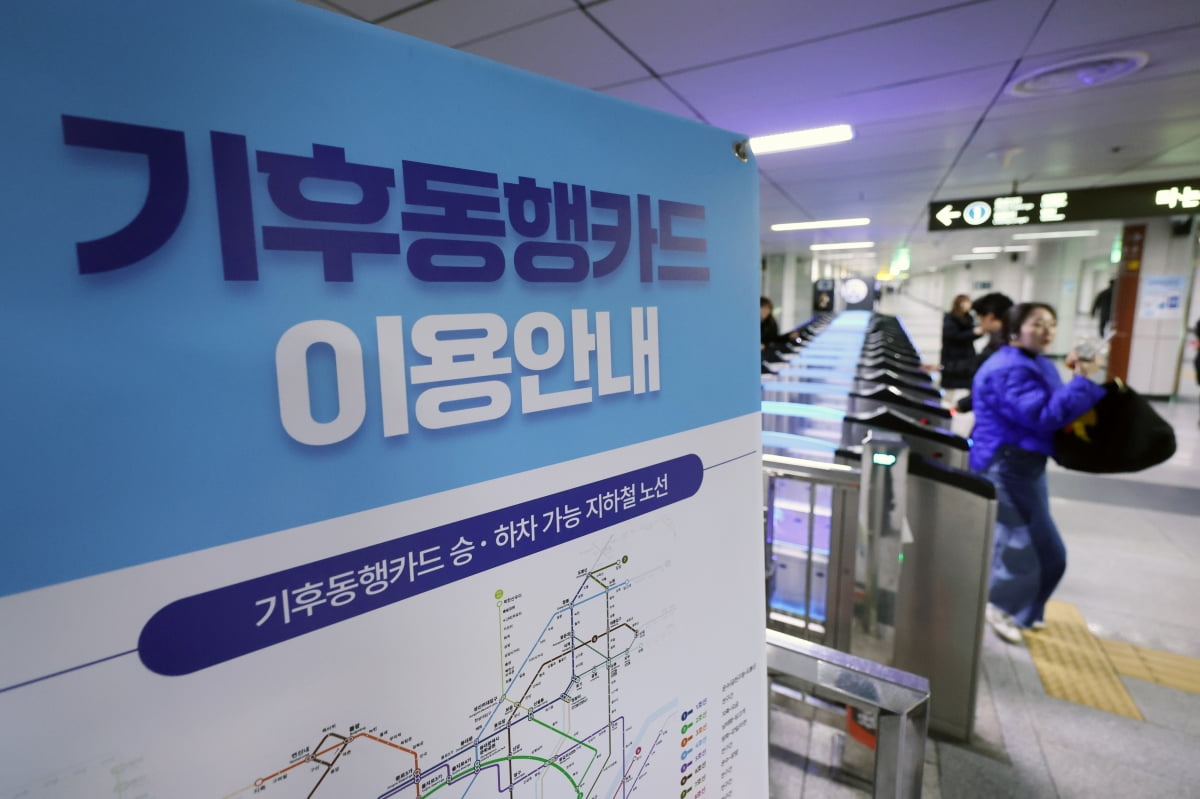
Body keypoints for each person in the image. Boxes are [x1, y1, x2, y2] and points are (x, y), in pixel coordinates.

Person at [969, 302, 1106, 644]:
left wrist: (1075, 375)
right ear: (1014, 330)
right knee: (1039, 550)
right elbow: (1043, 416)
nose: (1047, 331)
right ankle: (1002, 606)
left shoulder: (1033, 361)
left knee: (1021, 542)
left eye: (1051, 323)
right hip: (1007, 465)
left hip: (1025, 463)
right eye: (1038, 324)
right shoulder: (1009, 369)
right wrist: (1082, 381)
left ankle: (1019, 607)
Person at [954, 292, 1014, 414]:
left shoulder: (1002, 344)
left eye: (980, 318)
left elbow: (993, 385)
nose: (979, 323)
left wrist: (964, 404)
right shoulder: (1008, 339)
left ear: (990, 317)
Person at [940, 294, 982, 397]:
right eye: (965, 302)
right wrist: (972, 333)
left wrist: (977, 333)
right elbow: (952, 336)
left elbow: (970, 335)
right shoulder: (950, 317)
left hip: (967, 354)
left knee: (968, 380)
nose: (968, 304)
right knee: (951, 383)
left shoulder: (969, 317)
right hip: (952, 355)